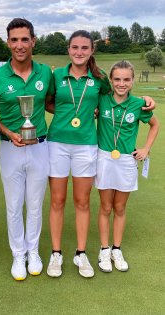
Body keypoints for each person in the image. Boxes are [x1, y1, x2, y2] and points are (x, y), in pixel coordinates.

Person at [46, 30, 156, 278]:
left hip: (87, 145)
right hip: (57, 144)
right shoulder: (57, 75)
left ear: (91, 51)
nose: (79, 52)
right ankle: (56, 254)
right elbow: (48, 102)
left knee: (82, 202)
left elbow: (120, 95)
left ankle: (81, 253)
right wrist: (70, 114)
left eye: (84, 48)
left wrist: (147, 99)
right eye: (75, 47)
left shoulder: (99, 79)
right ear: (68, 49)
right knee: (57, 201)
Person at [0, 18, 54, 281]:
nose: (20, 45)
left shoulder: (45, 72)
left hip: (40, 146)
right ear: (8, 43)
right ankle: (18, 254)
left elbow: (50, 102)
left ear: (33, 41)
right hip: (10, 148)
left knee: (35, 204)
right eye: (14, 40)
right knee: (14, 205)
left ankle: (33, 251)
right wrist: (8, 132)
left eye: (25, 39)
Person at [95, 60, 159, 272]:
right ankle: (104, 249)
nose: (121, 84)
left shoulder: (139, 104)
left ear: (132, 81)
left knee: (120, 207)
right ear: (111, 81)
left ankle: (116, 249)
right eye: (117, 79)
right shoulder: (102, 100)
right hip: (104, 158)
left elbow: (154, 125)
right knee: (105, 207)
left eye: (126, 79)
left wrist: (146, 148)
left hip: (126, 161)